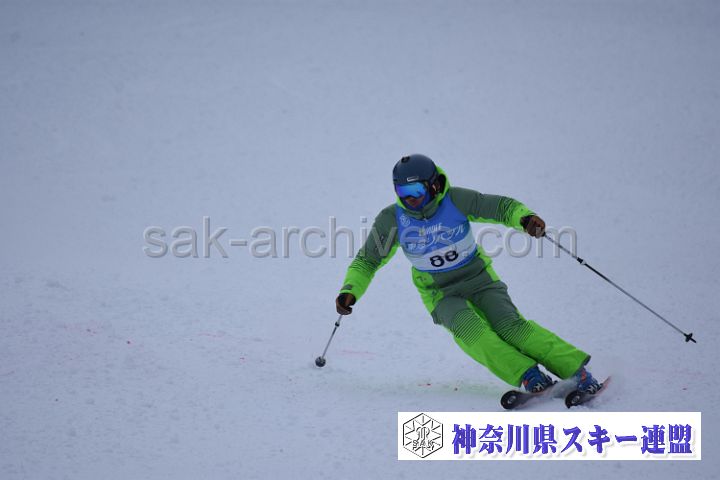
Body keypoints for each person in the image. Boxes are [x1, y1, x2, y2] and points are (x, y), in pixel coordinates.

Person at [335, 154, 601, 394]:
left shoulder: (455, 201)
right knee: (473, 334)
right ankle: (529, 375)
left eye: (416, 191)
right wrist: (350, 290)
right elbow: (367, 260)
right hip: (440, 293)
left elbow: (500, 207)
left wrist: (524, 218)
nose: (410, 199)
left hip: (479, 280)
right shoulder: (392, 219)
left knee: (511, 327)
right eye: (402, 192)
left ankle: (577, 372)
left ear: (433, 185)